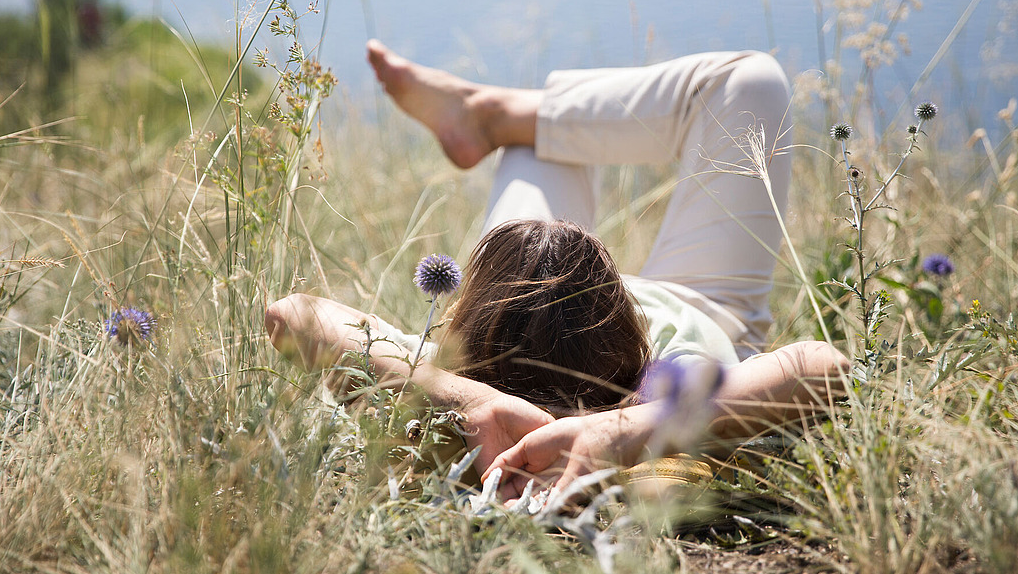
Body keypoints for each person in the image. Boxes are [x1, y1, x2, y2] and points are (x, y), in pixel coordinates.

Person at [264, 40, 850, 500]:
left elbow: (294, 314)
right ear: (632, 339)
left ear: (463, 327)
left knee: (538, 149)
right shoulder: (665, 390)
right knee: (747, 80)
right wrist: (616, 433)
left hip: (522, 295)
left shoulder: (463, 421)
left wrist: (457, 395)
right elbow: (824, 366)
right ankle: (496, 114)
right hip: (700, 305)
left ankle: (492, 116)